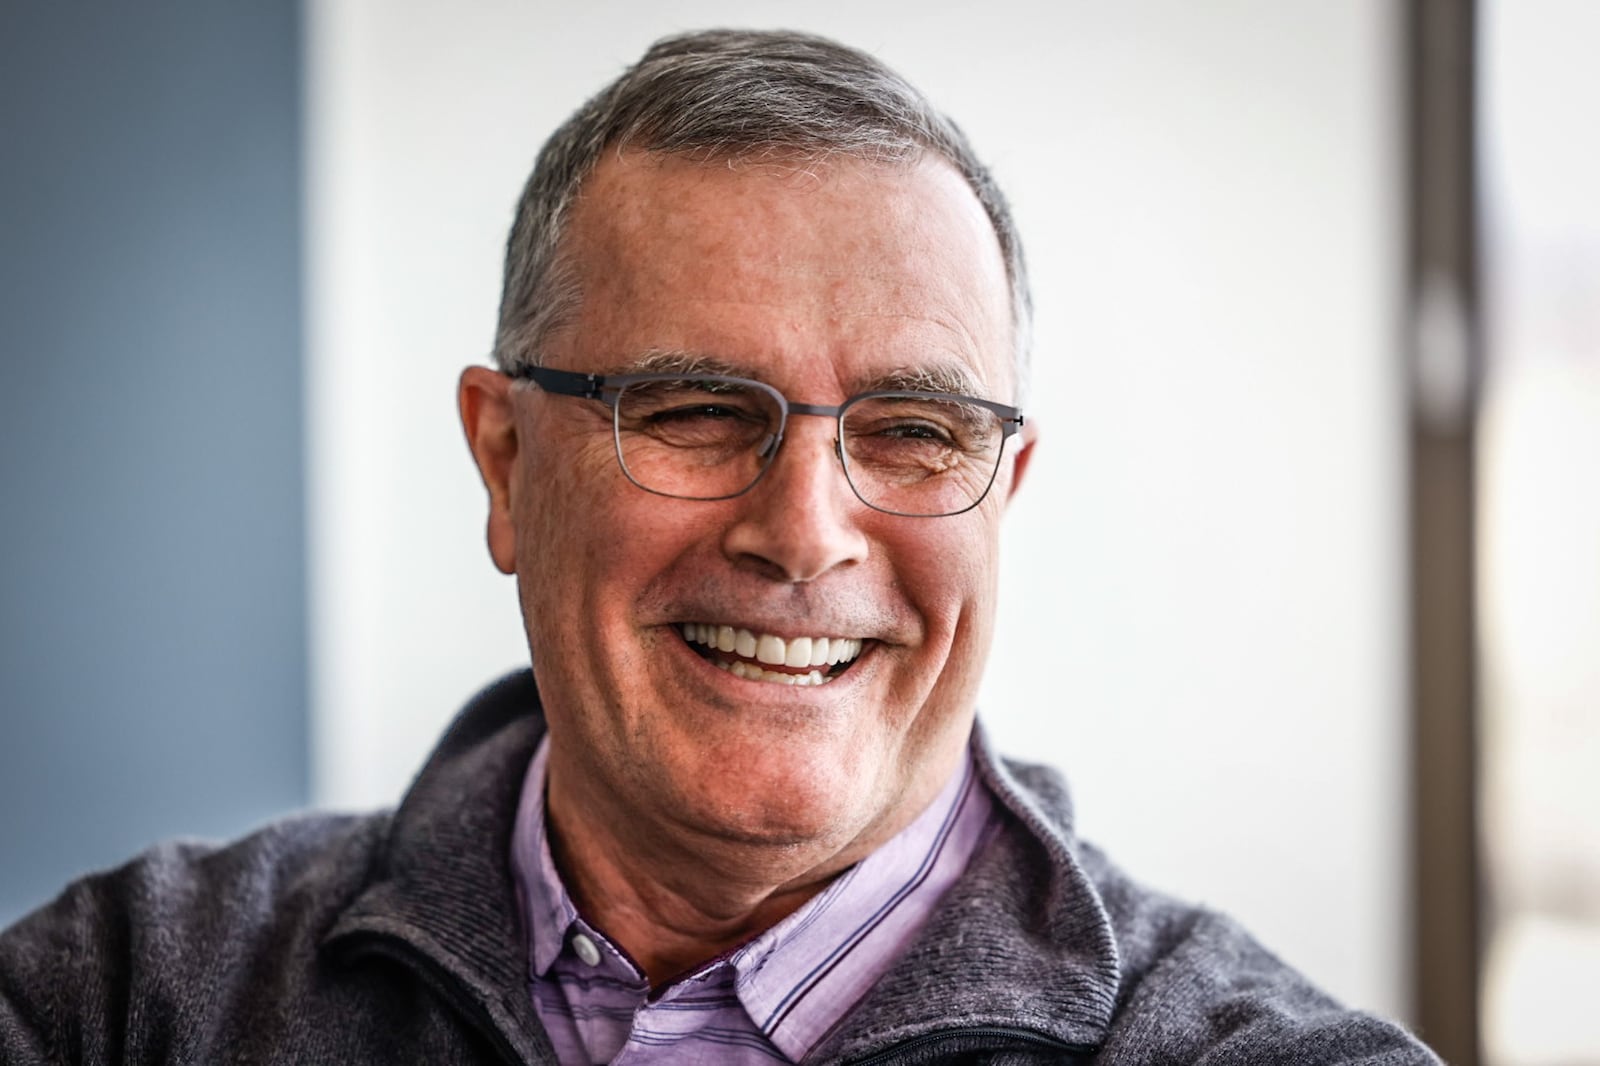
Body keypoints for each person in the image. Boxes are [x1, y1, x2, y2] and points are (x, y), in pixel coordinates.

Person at [0, 29, 1438, 1065]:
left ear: (1003, 491)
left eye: (916, 432)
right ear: (505, 461)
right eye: (693, 410)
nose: (805, 530)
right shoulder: (127, 999)